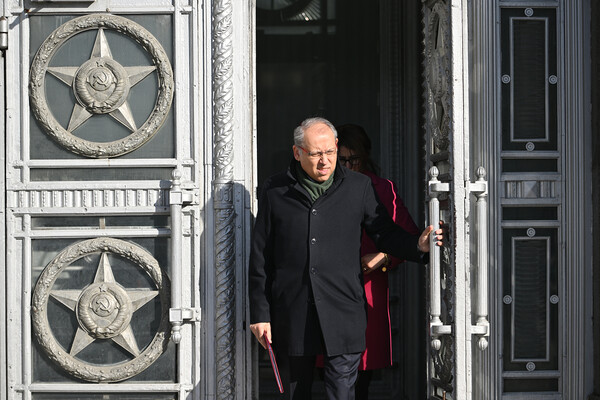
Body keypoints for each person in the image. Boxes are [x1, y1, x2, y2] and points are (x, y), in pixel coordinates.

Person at [249, 117, 442, 400]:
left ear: (336, 146)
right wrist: (260, 315)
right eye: (316, 153)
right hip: (293, 313)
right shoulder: (275, 190)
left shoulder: (359, 186)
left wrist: (417, 245)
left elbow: (384, 232)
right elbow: (261, 257)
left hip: (343, 312)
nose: (324, 161)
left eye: (330, 152)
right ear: (297, 153)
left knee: (342, 393)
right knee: (295, 393)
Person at [335, 123, 420, 399]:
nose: (349, 166)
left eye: (354, 159)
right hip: (330, 289)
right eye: (342, 160)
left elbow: (411, 239)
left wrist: (383, 258)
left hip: (368, 289)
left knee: (361, 373)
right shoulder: (324, 186)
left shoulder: (381, 188)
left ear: (366, 156)